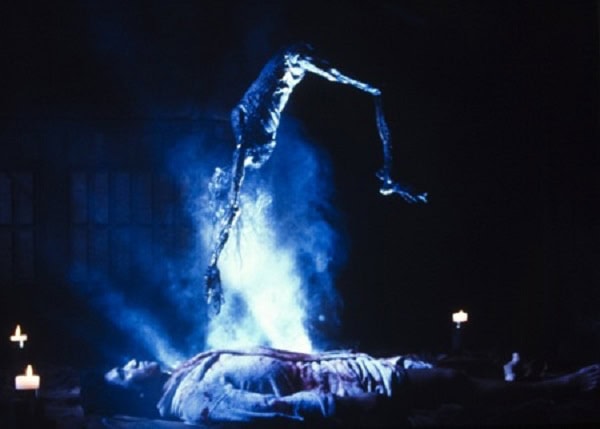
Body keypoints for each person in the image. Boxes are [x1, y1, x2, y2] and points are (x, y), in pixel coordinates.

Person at [101, 346, 600, 426]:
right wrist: (339, 407)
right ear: (135, 393)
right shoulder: (194, 400)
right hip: (347, 392)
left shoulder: (189, 368)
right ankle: (566, 386)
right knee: (452, 384)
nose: (132, 362)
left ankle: (525, 388)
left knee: (452, 382)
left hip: (346, 369)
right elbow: (273, 409)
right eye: (124, 372)